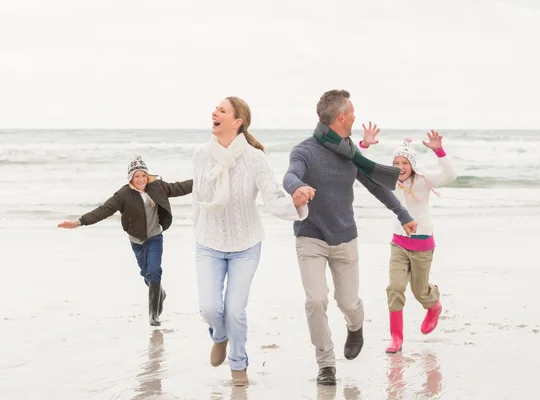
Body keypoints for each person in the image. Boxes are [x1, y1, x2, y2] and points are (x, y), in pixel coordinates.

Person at [282, 89, 418, 386]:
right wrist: (296, 189)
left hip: (344, 237)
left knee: (347, 302)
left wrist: (402, 214)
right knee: (316, 300)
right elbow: (291, 175)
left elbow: (376, 186)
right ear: (341, 117)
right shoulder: (304, 150)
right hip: (311, 236)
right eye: (352, 112)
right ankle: (326, 363)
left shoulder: (351, 153)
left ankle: (355, 325)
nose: (355, 116)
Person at [192, 96, 310, 387]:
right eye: (215, 109)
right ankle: (219, 337)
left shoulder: (254, 158)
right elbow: (198, 199)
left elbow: (272, 199)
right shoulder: (200, 155)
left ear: (237, 121)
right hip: (208, 243)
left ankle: (238, 364)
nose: (214, 112)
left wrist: (296, 204)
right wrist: (197, 230)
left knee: (234, 309)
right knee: (209, 308)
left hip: (245, 244)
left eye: (222, 110)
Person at [57, 155, 193, 327]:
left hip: (154, 236)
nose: (141, 179)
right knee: (147, 274)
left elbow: (180, 187)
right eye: (137, 176)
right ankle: (160, 293)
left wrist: (202, 180)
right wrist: (78, 222)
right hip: (136, 240)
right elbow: (104, 210)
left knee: (155, 270)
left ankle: (153, 315)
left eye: (143, 175)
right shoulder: (123, 195)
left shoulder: (157, 186)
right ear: (131, 178)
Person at [359, 128, 457, 353]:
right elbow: (362, 170)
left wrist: (439, 151)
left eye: (405, 163)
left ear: (412, 164)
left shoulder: (424, 180)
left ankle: (434, 305)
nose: (400, 167)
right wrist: (364, 146)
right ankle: (396, 338)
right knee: (394, 287)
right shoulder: (390, 181)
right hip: (399, 244)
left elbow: (450, 175)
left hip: (423, 244)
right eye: (396, 163)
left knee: (419, 290)